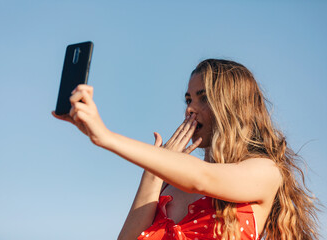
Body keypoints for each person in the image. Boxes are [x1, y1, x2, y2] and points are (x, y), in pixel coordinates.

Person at [52, 59, 319, 240]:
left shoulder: (264, 172)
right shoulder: (167, 188)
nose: (190, 108)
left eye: (204, 97)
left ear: (233, 106)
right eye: (188, 98)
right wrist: (153, 173)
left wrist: (106, 137)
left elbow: (202, 178)